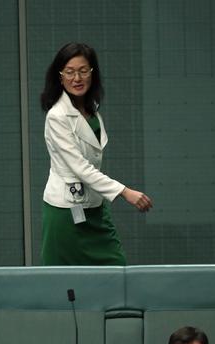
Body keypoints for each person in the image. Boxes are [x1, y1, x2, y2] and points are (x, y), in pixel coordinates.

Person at [39, 42, 153, 265]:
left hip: (95, 205)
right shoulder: (57, 116)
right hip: (66, 209)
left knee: (115, 269)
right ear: (60, 76)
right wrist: (124, 191)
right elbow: (80, 168)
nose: (77, 78)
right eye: (70, 72)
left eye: (83, 71)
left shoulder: (91, 107)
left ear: (92, 74)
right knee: (63, 282)